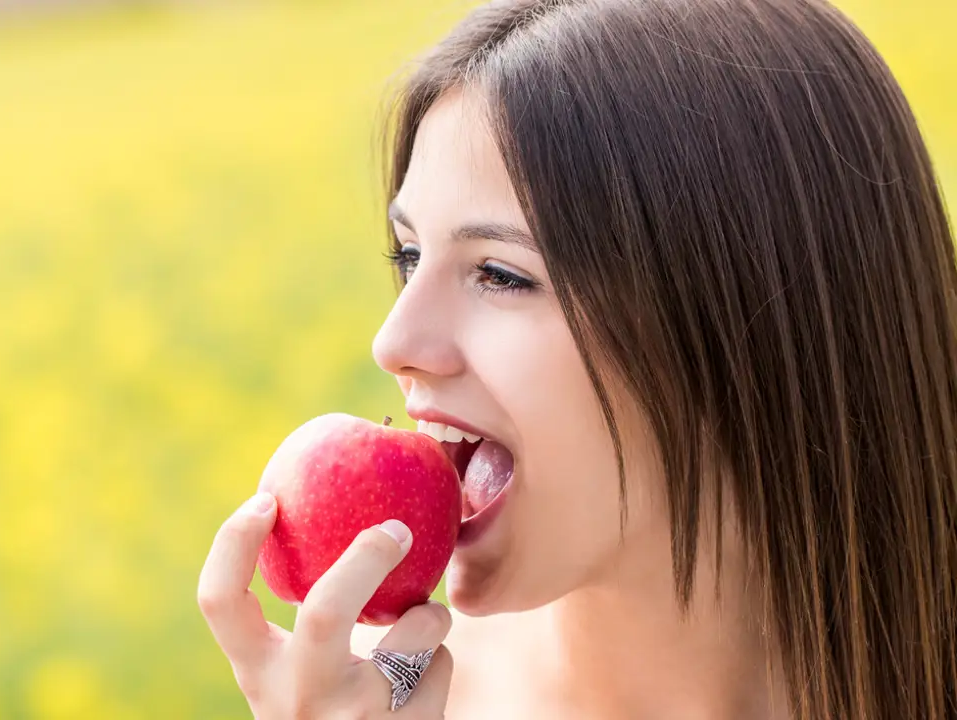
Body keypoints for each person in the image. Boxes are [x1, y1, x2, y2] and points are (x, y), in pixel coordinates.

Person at [197, 0, 957, 716]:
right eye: (408, 256)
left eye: (501, 273)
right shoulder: (394, 696)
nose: (393, 342)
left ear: (745, 317)